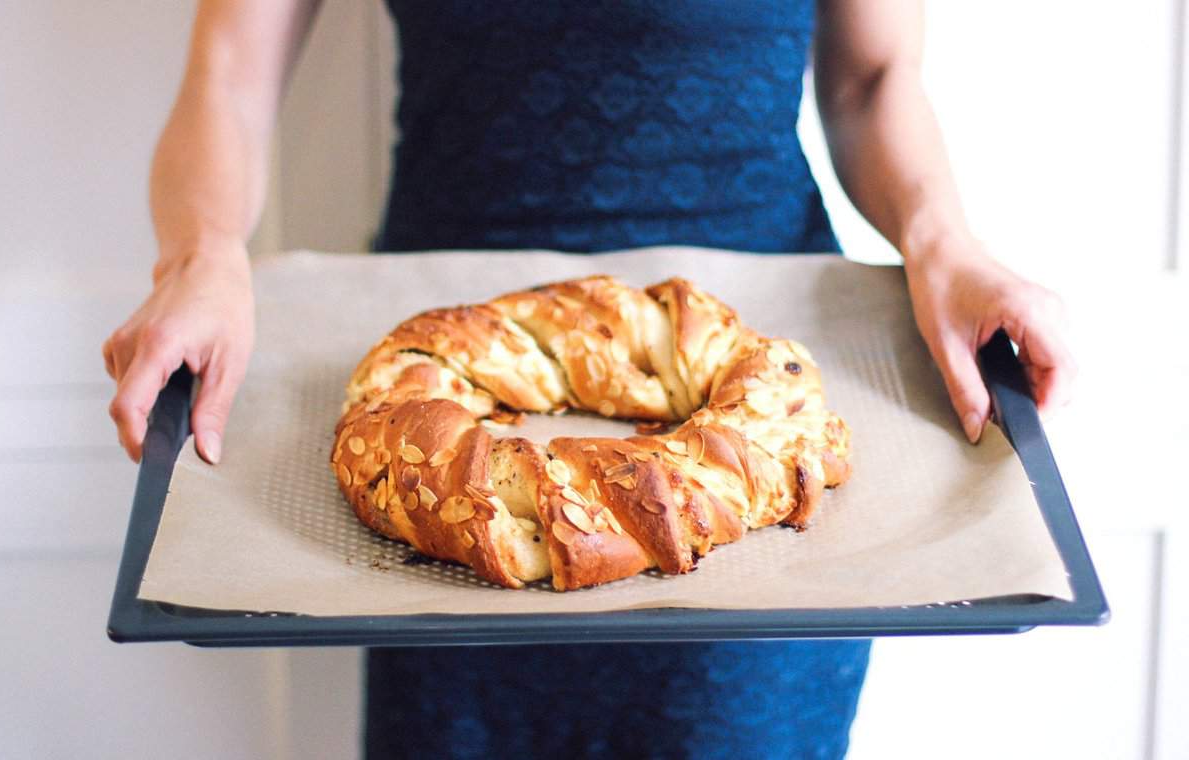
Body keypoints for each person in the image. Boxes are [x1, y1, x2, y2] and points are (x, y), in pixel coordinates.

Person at [103, 1, 1076, 757]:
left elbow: (874, 76)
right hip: (437, 447)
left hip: (758, 420)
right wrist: (199, 252)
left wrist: (942, 240)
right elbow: (228, 73)